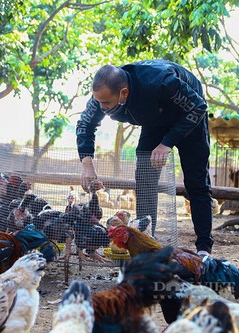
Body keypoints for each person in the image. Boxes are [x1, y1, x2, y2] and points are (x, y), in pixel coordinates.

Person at [76, 59, 213, 255]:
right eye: (98, 101)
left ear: (123, 93)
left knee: (196, 182)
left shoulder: (161, 82)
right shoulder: (102, 96)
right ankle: (147, 243)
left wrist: (167, 142)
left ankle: (204, 249)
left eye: (105, 103)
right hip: (154, 119)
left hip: (188, 116)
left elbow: (198, 107)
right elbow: (85, 125)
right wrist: (87, 163)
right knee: (145, 178)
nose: (101, 107)